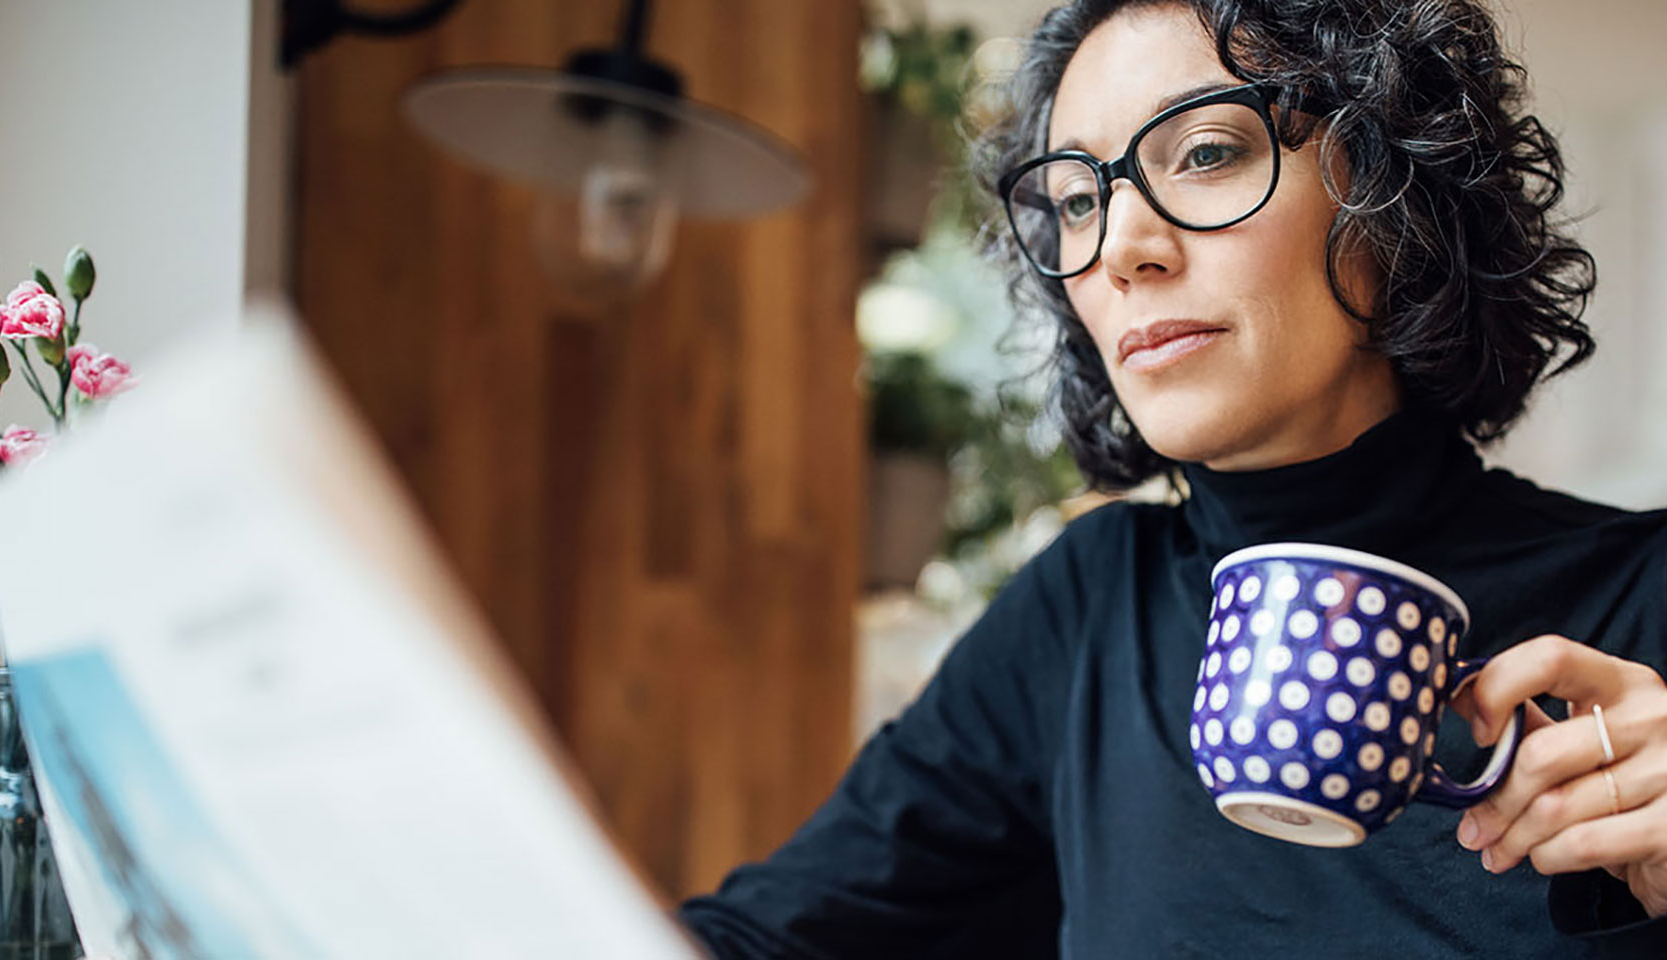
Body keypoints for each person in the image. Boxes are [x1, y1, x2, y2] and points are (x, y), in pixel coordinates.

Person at [678, 0, 1667, 955]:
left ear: (1389, 189)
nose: (1118, 247)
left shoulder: (1642, 597)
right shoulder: (1086, 607)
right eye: (1075, 201)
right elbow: (768, 934)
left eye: (1203, 154)